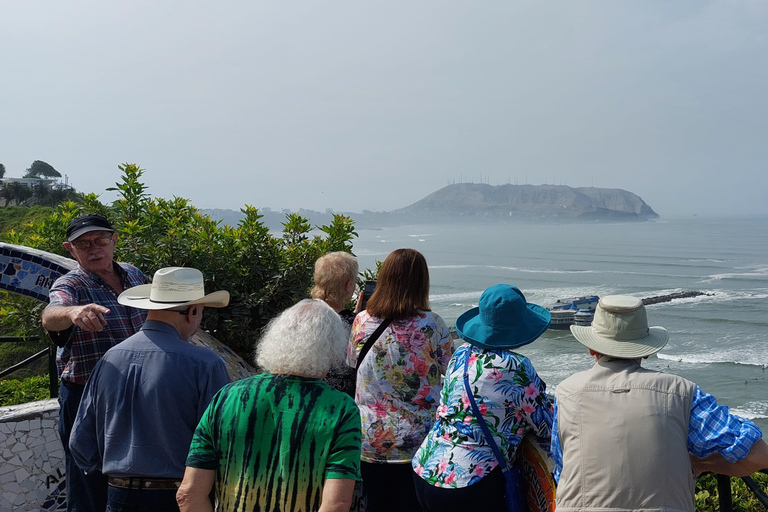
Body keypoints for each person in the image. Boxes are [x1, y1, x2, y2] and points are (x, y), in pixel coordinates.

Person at [552, 295, 768, 512]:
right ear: (645, 351)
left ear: (591, 348)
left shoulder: (565, 394)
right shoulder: (682, 393)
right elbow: (758, 456)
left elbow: (562, 470)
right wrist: (700, 464)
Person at [69, 267, 231, 512]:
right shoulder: (206, 363)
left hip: (118, 495)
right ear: (193, 311)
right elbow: (222, 441)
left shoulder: (109, 358)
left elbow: (80, 443)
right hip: (180, 497)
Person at [176, 299, 362, 512]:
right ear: (332, 349)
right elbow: (336, 503)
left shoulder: (226, 398)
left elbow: (189, 493)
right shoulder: (341, 409)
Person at [412, 284, 554, 511]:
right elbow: (545, 426)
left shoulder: (461, 353)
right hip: (470, 481)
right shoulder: (515, 366)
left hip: (427, 468)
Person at [41, 213, 148, 512]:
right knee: (88, 482)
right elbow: (51, 314)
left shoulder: (135, 275)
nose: (94, 248)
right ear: (70, 249)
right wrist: (73, 313)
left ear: (114, 240)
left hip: (136, 394)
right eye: (83, 244)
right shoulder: (71, 284)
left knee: (133, 479)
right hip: (86, 399)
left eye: (100, 240)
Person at [347, 248, 454, 512]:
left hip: (370, 437)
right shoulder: (433, 324)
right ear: (421, 282)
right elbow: (451, 371)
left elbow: (352, 363)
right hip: (419, 440)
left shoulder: (361, 320)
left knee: (376, 505)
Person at [311, 251, 360, 397]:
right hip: (342, 403)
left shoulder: (303, 315)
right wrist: (358, 318)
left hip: (307, 397)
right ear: (348, 285)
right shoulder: (355, 324)